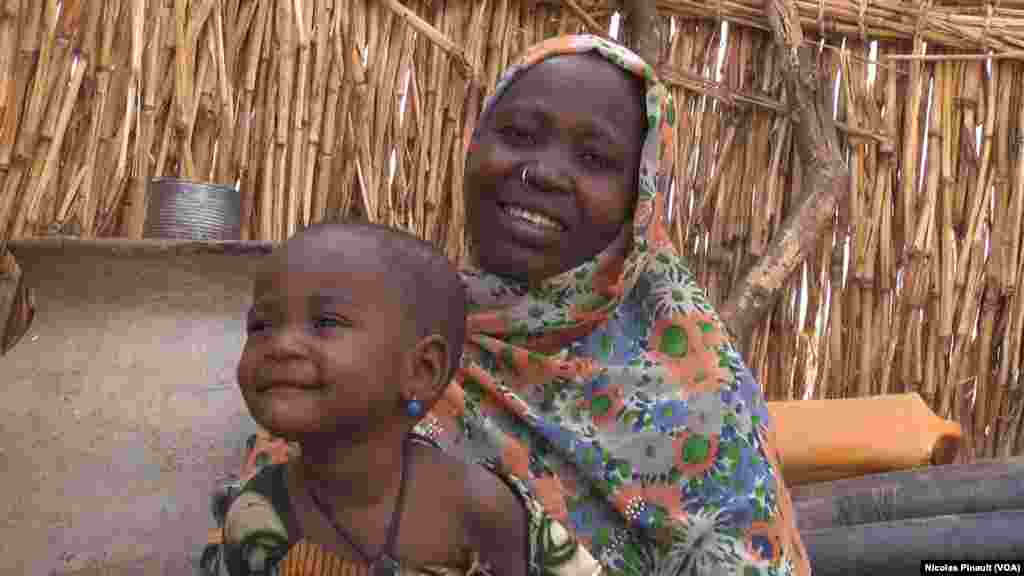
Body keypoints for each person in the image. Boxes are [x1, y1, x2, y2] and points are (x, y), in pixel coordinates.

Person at [208, 34, 810, 576]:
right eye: (519, 135)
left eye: (596, 159)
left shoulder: (696, 383)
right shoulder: (387, 333)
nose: (545, 172)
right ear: (474, 147)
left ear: (639, 198)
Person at [212, 221, 536, 575]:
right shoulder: (257, 512)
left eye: (325, 322)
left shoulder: (481, 508)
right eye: (261, 326)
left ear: (422, 370)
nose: (280, 345)